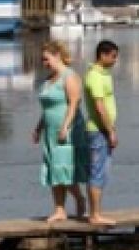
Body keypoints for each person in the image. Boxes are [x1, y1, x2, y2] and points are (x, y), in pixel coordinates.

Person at [33, 41, 87, 223]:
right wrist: (38, 128)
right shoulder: (48, 80)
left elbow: (74, 103)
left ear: (57, 55)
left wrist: (65, 126)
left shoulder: (69, 76)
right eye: (43, 60)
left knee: (63, 168)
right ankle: (59, 209)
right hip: (50, 130)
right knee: (53, 169)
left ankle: (79, 198)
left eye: (46, 59)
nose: (44, 63)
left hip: (67, 129)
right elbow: (46, 109)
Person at [83, 40, 120, 226]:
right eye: (113, 56)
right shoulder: (95, 76)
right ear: (102, 55)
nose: (115, 60)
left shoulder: (104, 74)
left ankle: (96, 213)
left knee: (101, 172)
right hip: (99, 131)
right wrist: (110, 131)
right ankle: (95, 215)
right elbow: (99, 107)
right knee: (97, 172)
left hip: (103, 130)